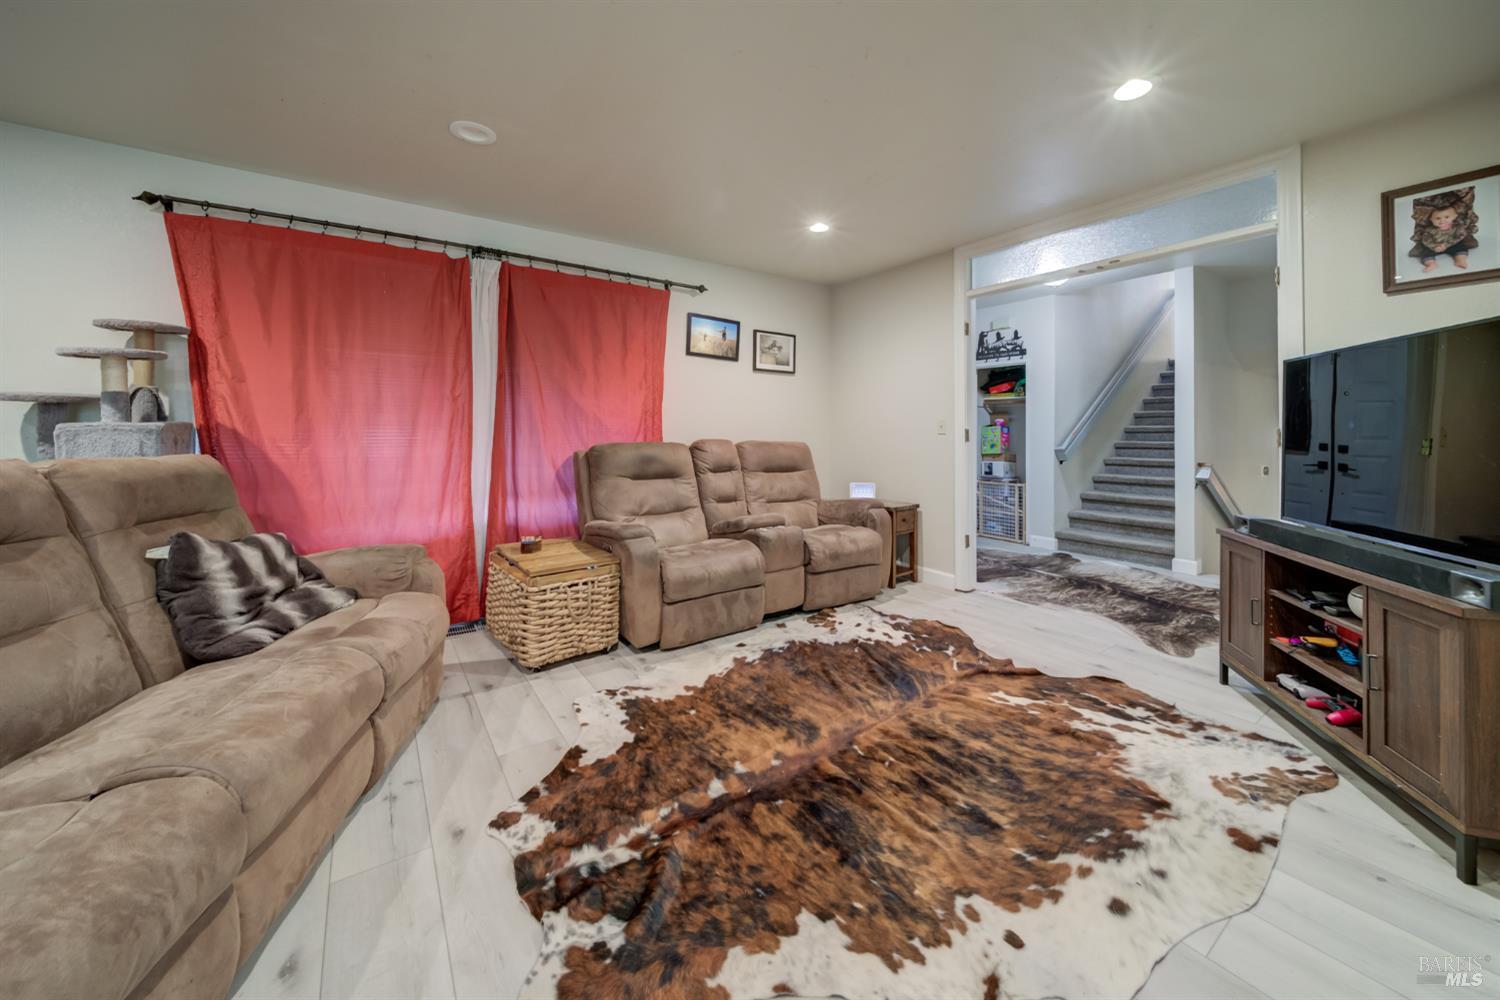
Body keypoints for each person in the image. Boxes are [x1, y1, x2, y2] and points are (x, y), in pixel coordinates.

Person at [1411, 203, 1478, 272]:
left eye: (1446, 217)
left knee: (1461, 247)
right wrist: (1434, 246)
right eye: (1438, 218)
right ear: (1431, 219)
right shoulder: (1429, 230)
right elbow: (1425, 240)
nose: (1442, 220)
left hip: (1451, 245)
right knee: (1425, 252)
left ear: (1454, 216)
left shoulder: (1456, 227)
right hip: (1436, 248)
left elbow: (1460, 236)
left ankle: (1460, 260)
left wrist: (1446, 245)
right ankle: (1431, 263)